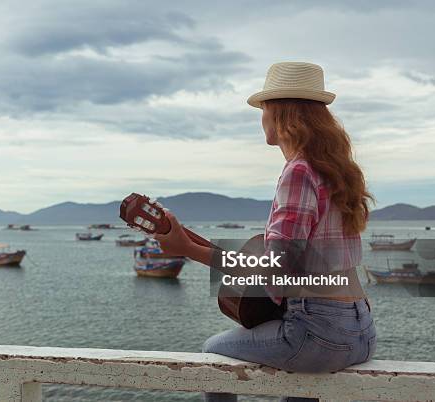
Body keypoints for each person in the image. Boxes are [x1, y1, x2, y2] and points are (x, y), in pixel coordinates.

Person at [154, 62, 377, 402]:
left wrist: (187, 248)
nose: (261, 118)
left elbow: (275, 267)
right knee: (299, 381)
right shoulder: (338, 171)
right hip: (362, 330)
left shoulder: (299, 171)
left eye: (264, 109)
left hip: (320, 334)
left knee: (212, 354)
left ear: (281, 115)